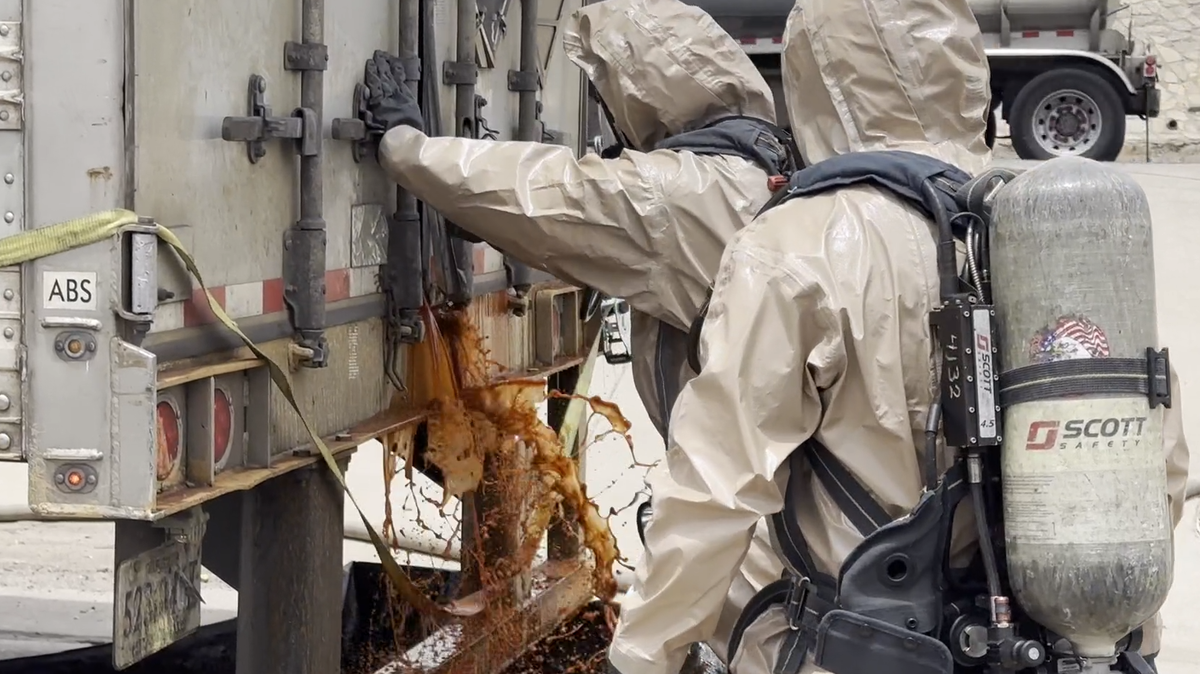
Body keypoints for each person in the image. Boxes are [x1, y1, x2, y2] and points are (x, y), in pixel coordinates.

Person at [605, 0, 1190, 672]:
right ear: (963, 68)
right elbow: (1157, 469)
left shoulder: (795, 244)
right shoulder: (1048, 230)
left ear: (815, 75)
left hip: (863, 646)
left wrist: (643, 656)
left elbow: (716, 489)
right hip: (1053, 648)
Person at [363, 0, 792, 664]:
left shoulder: (687, 192)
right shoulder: (766, 169)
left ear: (648, 92)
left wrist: (407, 149)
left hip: (776, 535)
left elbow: (551, 196)